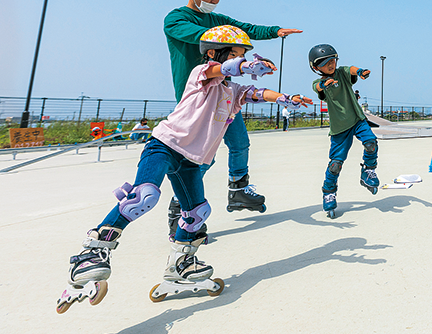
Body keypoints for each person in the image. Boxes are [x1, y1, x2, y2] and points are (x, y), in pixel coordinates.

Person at [56, 26, 311, 314]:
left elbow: (257, 92)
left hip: (192, 161)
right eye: (237, 55)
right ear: (214, 54)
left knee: (196, 213)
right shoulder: (201, 76)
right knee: (144, 196)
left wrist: (286, 99)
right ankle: (92, 251)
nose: (241, 62)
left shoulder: (232, 90)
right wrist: (248, 65)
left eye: (244, 56)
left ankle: (181, 263)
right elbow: (222, 68)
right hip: (164, 146)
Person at [163, 0, 302, 223]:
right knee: (204, 155)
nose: (215, 0)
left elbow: (244, 29)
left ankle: (238, 190)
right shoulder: (175, 19)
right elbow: (204, 36)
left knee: (240, 143)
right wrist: (244, 60)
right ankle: (179, 204)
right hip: (197, 98)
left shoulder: (218, 20)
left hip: (224, 93)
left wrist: (275, 31)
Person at [309, 44, 379, 218]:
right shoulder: (318, 83)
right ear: (316, 68)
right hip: (340, 128)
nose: (331, 65)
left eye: (332, 60)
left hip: (358, 120)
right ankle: (329, 191)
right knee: (335, 164)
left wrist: (361, 71)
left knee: (371, 144)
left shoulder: (341, 73)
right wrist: (324, 84)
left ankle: (368, 170)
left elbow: (351, 69)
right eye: (325, 63)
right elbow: (318, 87)